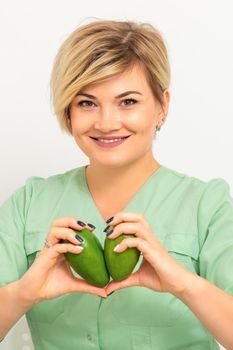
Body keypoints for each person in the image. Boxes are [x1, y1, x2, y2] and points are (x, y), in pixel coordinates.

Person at [0, 19, 233, 350]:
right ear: (68, 112)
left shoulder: (207, 205)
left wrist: (183, 284)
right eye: (87, 102)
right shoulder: (28, 203)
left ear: (162, 106)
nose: (106, 123)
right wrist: (24, 294)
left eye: (128, 102)